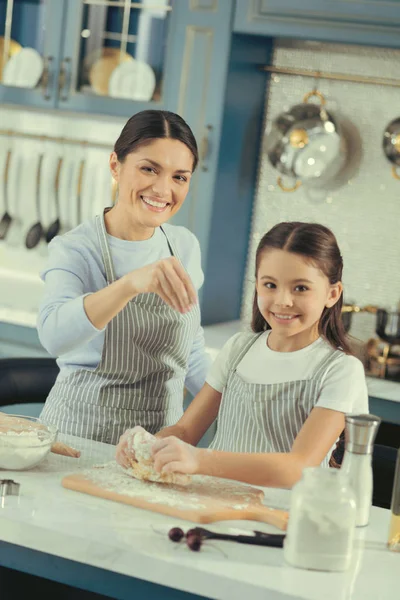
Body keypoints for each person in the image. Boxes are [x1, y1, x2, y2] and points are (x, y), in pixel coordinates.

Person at [116, 221, 368, 488]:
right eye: (270, 285)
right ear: (256, 285)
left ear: (332, 293)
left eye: (301, 288)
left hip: (282, 516)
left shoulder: (340, 370)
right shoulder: (239, 348)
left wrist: (200, 460)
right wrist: (149, 447)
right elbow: (186, 430)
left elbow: (299, 467)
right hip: (213, 502)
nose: (283, 300)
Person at [37, 110, 210, 444]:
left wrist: (238, 408)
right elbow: (53, 336)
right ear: (116, 166)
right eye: (149, 169)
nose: (162, 189)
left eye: (179, 177)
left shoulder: (184, 246)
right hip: (79, 439)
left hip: (155, 445)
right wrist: (131, 284)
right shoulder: (75, 248)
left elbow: (192, 350)